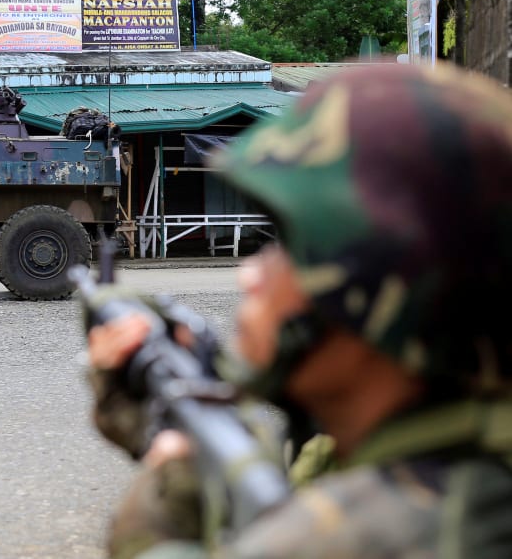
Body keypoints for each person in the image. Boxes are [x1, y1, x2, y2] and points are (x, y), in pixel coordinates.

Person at [85, 63, 512, 558]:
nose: (250, 275)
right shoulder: (467, 453)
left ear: (375, 285)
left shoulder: (365, 535)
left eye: (286, 243)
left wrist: (169, 487)